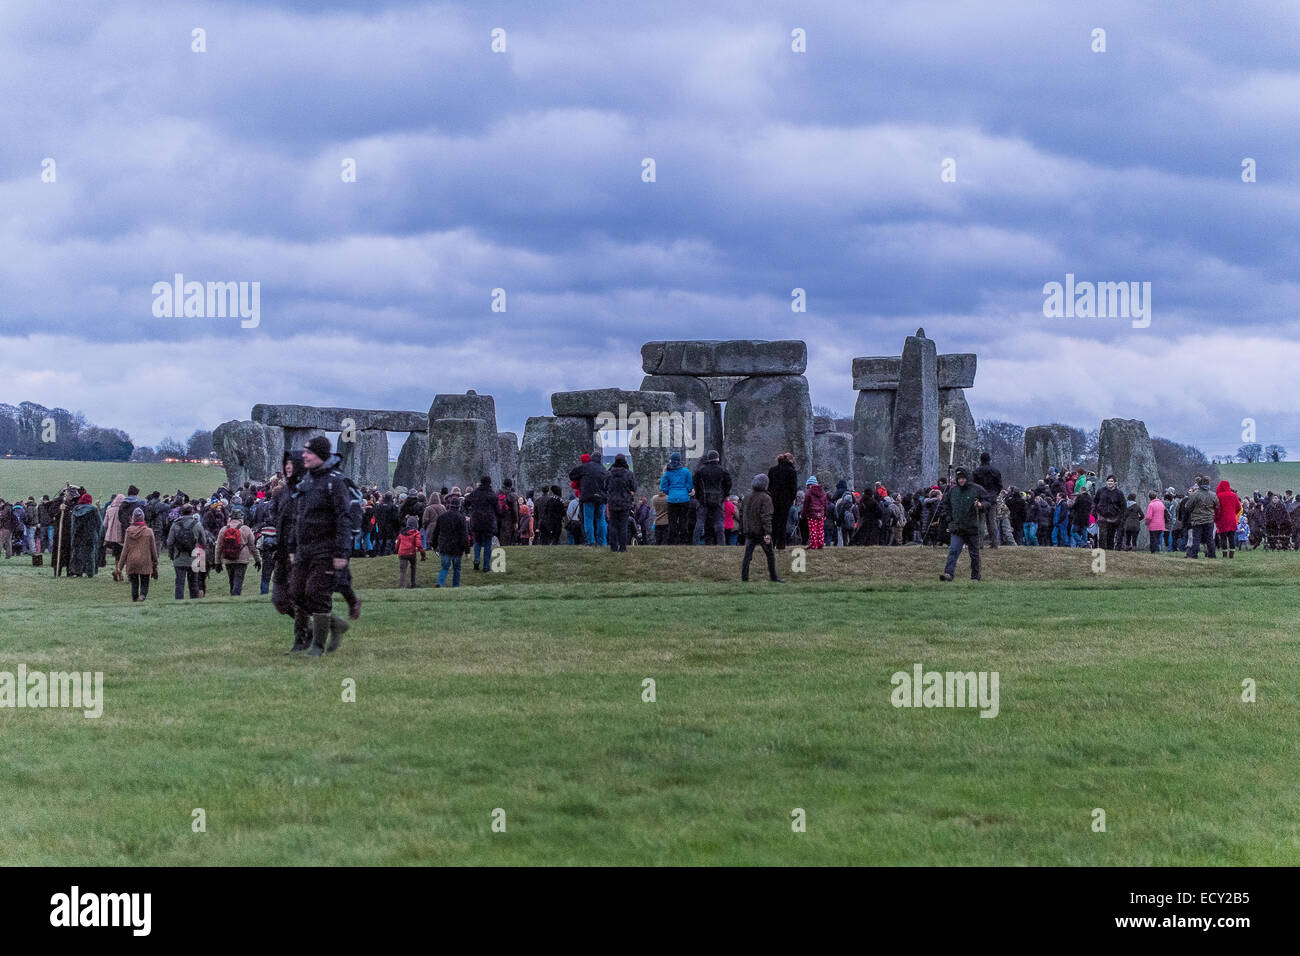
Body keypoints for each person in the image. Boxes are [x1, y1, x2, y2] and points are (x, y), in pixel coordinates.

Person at [289, 436, 356, 656]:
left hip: (326, 548)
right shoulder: (307, 480)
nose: (304, 456)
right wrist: (292, 547)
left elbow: (343, 518)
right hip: (304, 548)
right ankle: (335, 624)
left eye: (308, 452)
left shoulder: (335, 481)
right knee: (296, 593)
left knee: (316, 592)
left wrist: (341, 552)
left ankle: (317, 646)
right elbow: (298, 517)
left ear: (320, 455)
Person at [939, 468, 985, 582]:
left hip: (972, 527)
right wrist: (948, 517)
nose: (961, 481)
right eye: (959, 479)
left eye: (963, 478)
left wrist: (981, 505)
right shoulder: (953, 491)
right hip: (957, 526)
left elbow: (989, 502)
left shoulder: (977, 489)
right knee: (953, 551)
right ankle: (948, 573)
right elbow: (945, 504)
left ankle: (975, 576)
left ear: (967, 478)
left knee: (974, 554)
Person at [740, 473, 784, 583]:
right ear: (766, 485)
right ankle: (773, 577)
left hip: (749, 531)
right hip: (761, 532)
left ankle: (744, 578)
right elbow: (766, 516)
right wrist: (768, 533)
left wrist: (744, 528)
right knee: (770, 555)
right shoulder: (766, 498)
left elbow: (742, 514)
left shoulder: (747, 497)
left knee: (748, 556)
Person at [115, 507, 159, 602]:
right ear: (143, 518)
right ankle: (142, 595)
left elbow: (125, 550)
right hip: (145, 561)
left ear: (133, 518)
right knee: (145, 581)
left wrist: (120, 566)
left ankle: (135, 599)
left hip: (132, 561)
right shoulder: (148, 531)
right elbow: (153, 549)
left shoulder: (128, 531)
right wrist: (155, 562)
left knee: (134, 583)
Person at [692, 450, 731, 545]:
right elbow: (728, 484)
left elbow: (695, 484)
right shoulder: (722, 470)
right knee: (719, 522)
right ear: (717, 458)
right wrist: (724, 495)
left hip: (703, 499)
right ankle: (721, 543)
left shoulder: (700, 470)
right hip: (718, 499)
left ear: (708, 458)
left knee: (700, 521)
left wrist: (698, 496)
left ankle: (695, 543)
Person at [431, 494, 470, 587]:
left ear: (449, 505)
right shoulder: (461, 518)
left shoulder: (442, 516)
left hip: (444, 546)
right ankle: (455, 587)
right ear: (459, 506)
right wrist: (467, 550)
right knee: (457, 569)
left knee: (444, 567)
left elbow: (435, 532)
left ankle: (440, 583)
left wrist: (434, 545)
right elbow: (464, 535)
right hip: (457, 547)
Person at [218, 508, 259, 596]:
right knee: (238, 580)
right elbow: (252, 546)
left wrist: (217, 561)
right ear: (241, 518)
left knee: (231, 579)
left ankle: (232, 596)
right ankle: (235, 596)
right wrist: (257, 560)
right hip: (242, 558)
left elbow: (218, 547)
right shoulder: (246, 529)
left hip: (227, 557)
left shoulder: (224, 529)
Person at [166, 503, 204, 599]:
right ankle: (194, 602)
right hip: (194, 557)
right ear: (192, 512)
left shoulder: (175, 524)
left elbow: (170, 542)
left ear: (181, 512)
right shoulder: (197, 524)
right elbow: (204, 542)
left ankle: (179, 603)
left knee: (179, 583)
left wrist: (172, 554)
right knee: (194, 583)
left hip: (179, 557)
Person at [466, 476, 499, 570]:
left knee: (477, 541)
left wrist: (471, 510)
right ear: (489, 483)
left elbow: (466, 502)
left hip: (476, 519)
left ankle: (476, 559)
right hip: (488, 521)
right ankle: (486, 566)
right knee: (488, 543)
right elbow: (497, 509)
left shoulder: (474, 493)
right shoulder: (492, 494)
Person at [659, 451, 693, 545]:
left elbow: (663, 487)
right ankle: (683, 541)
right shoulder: (686, 471)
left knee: (672, 521)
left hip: (672, 499)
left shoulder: (667, 473)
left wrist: (669, 492)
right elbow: (690, 486)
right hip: (684, 498)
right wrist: (686, 491)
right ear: (680, 460)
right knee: (683, 520)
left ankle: (672, 541)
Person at [767, 453, 799, 549]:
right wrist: (791, 499)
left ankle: (772, 543)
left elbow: (769, 485)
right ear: (790, 460)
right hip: (785, 500)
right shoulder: (791, 471)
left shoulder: (772, 470)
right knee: (783, 522)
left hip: (774, 499)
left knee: (774, 521)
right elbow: (793, 488)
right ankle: (781, 544)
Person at [606, 453, 636, 552]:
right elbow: (633, 487)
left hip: (612, 502)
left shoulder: (609, 473)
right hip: (625, 502)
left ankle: (613, 547)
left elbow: (604, 486)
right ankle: (623, 547)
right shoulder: (628, 474)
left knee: (613, 525)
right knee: (623, 525)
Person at [971, 452, 1002, 548]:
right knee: (992, 521)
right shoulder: (996, 471)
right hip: (992, 498)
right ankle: (995, 542)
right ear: (989, 460)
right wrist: (995, 494)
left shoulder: (976, 471)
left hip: (981, 498)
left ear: (981, 460)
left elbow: (973, 486)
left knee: (980, 520)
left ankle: (980, 543)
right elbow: (1000, 486)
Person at [1184, 477, 1220, 558]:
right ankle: (1212, 555)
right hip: (1209, 519)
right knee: (1210, 539)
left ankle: (1194, 555)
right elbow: (1217, 506)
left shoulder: (1194, 495)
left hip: (1197, 520)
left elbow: (1188, 507)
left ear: (1200, 484)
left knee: (1196, 538)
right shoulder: (1213, 495)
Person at [397, 515, 426, 587]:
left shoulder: (402, 533)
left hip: (402, 553)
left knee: (403, 570)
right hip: (411, 553)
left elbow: (397, 543)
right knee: (413, 566)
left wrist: (397, 549)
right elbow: (419, 545)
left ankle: (402, 585)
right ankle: (413, 583)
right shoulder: (416, 532)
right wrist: (423, 555)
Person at [1214, 480, 1241, 558]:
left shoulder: (1218, 496)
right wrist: (1233, 513)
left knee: (1223, 538)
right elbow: (1239, 507)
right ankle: (1232, 554)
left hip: (1222, 520)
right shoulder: (1234, 495)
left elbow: (1217, 509)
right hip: (1232, 519)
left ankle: (1224, 554)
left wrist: (1216, 518)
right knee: (1231, 537)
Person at [802, 476, 829, 549]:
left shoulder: (809, 493)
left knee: (813, 530)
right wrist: (826, 514)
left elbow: (805, 505)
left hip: (811, 514)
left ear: (810, 485)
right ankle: (820, 544)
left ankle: (814, 545)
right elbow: (825, 504)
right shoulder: (823, 492)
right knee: (820, 529)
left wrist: (803, 514)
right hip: (821, 514)